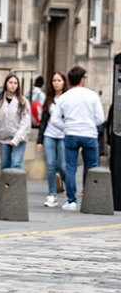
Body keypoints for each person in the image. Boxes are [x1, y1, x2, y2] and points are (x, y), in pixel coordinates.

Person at [48, 65, 105, 211]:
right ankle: (91, 198)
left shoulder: (64, 97)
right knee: (92, 167)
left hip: (71, 134)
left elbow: (54, 119)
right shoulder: (92, 95)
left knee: (71, 168)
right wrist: (89, 124)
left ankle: (71, 201)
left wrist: (66, 127)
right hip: (89, 134)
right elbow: (100, 118)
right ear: (82, 79)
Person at [36, 71, 68, 208]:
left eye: (59, 80)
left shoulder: (68, 98)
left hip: (63, 135)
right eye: (54, 80)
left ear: (64, 82)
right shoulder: (48, 98)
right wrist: (40, 140)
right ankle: (52, 195)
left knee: (62, 166)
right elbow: (43, 120)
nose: (56, 83)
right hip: (49, 134)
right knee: (50, 165)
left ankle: (70, 192)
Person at [0, 73, 31, 170]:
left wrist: (16, 139)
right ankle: (6, 185)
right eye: (10, 82)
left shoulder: (23, 101)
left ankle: (16, 185)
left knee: (16, 164)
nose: (13, 85)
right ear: (6, 84)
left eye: (15, 83)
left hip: (19, 139)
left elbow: (25, 123)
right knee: (5, 166)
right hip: (4, 138)